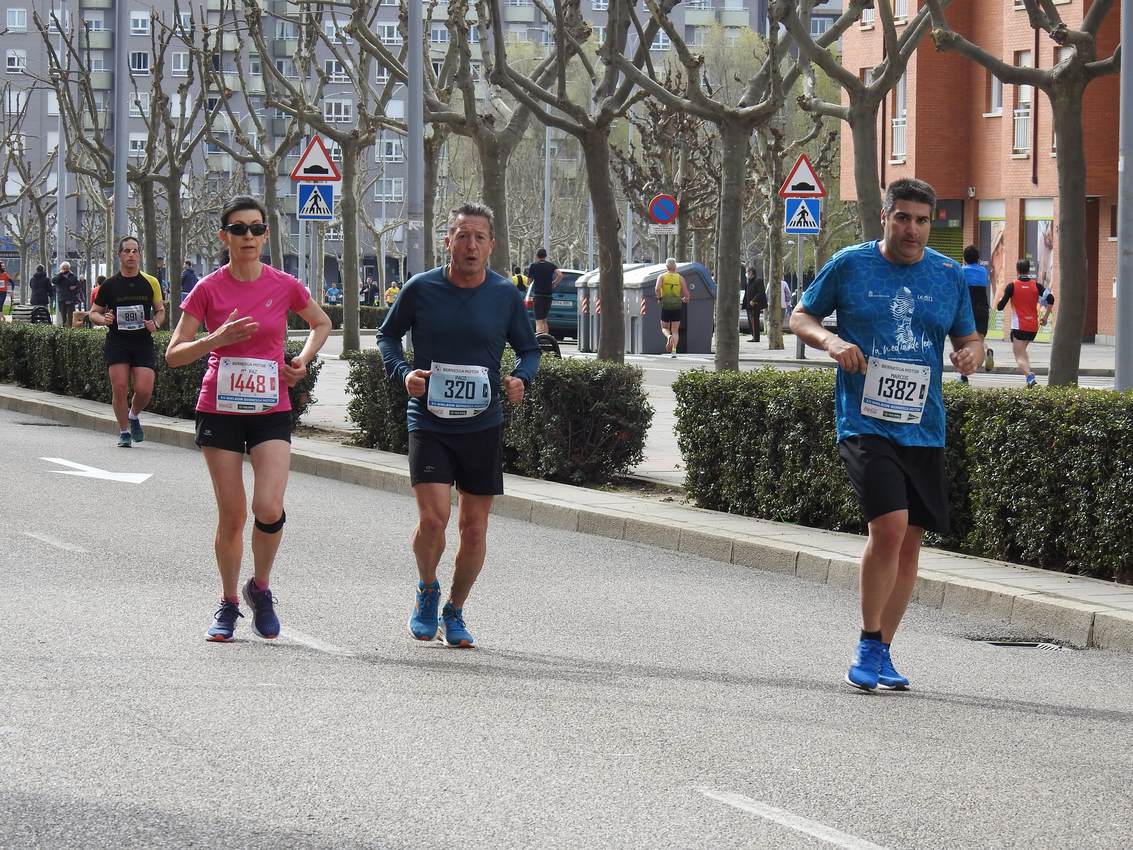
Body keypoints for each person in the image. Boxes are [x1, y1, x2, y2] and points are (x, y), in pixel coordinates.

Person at [789, 177, 983, 692]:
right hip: (864, 419)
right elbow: (800, 314)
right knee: (890, 528)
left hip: (924, 425)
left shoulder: (948, 275)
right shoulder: (851, 264)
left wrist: (971, 353)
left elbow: (969, 335)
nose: (912, 229)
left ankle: (883, 651)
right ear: (886, 217)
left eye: (922, 220)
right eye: (903, 218)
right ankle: (867, 639)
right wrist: (831, 341)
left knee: (911, 544)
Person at [165, 195, 332, 642]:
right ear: (224, 237)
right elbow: (174, 353)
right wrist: (216, 338)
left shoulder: (284, 284)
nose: (249, 236)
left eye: (256, 228)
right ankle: (228, 602)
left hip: (270, 406)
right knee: (234, 514)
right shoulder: (208, 289)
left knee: (268, 507)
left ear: (265, 235)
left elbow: (321, 323)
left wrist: (301, 360)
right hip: (220, 407)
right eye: (239, 229)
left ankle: (260, 587)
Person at [377, 202, 540, 649]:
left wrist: (521, 378)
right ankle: (427, 589)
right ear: (447, 241)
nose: (470, 245)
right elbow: (387, 336)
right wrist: (404, 373)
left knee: (474, 529)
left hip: (482, 423)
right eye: (462, 235)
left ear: (491, 245)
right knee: (434, 519)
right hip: (428, 419)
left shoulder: (505, 295)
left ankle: (455, 609)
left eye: (479, 237)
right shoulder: (420, 288)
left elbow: (530, 349)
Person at [88, 238, 167, 448]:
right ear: (119, 255)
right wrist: (102, 319)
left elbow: (160, 310)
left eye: (135, 251)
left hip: (142, 341)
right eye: (126, 251)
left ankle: (133, 415)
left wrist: (156, 324)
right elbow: (93, 312)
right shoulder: (109, 285)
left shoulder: (151, 282)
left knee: (144, 389)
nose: (131, 255)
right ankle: (124, 432)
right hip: (118, 341)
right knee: (120, 387)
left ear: (140, 254)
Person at [996, 258, 1052, 388]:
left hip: (1019, 327)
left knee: (1018, 356)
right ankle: (1029, 379)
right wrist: (1045, 317)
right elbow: (1051, 299)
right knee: (1023, 352)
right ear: (1028, 270)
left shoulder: (1012, 286)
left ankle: (1030, 377)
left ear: (1017, 270)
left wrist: (1001, 299)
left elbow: (1000, 307)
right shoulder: (1036, 286)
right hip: (1033, 326)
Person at [958, 245, 993, 383]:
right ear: (978, 258)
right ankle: (987, 351)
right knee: (979, 340)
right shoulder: (983, 271)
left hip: (968, 309)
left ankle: (964, 376)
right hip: (983, 308)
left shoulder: (961, 271)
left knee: (967, 342)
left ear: (964, 259)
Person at [654, 258, 690, 357]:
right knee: (675, 330)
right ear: (675, 267)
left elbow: (657, 289)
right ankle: (674, 351)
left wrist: (659, 298)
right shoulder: (680, 278)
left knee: (664, 328)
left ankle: (668, 336)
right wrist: (685, 299)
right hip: (677, 306)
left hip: (666, 305)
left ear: (666, 267)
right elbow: (686, 294)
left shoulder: (661, 277)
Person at [526, 247, 562, 335]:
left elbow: (528, 281)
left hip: (538, 296)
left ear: (537, 256)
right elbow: (560, 275)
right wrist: (554, 283)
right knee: (544, 319)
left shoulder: (534, 266)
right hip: (548, 296)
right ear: (545, 256)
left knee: (538, 320)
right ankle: (546, 338)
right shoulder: (551, 265)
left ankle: (540, 340)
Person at [743, 262, 767, 343]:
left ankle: (756, 338)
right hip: (748, 305)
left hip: (755, 305)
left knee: (754, 321)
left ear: (751, 272)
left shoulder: (758, 280)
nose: (746, 273)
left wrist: (754, 300)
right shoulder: (749, 282)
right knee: (751, 322)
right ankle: (754, 336)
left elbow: (761, 292)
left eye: (747, 272)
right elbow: (747, 293)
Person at [52, 262, 80, 328]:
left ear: (69, 268)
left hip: (70, 298)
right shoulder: (58, 276)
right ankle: (64, 328)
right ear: (61, 268)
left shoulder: (73, 276)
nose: (65, 270)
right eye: (63, 268)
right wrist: (60, 274)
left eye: (66, 268)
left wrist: (75, 287)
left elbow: (77, 285)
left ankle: (70, 328)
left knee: (70, 315)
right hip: (61, 298)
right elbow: (54, 281)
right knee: (63, 315)